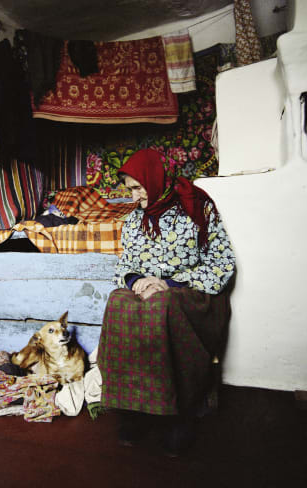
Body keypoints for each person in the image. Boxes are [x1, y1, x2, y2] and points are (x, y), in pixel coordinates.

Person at [96, 148, 236, 454]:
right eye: (130, 189)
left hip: (194, 294)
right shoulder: (134, 220)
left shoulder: (197, 209)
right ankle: (133, 408)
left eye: (137, 187)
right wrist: (136, 281)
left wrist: (169, 283)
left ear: (156, 178)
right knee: (118, 303)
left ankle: (178, 414)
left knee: (163, 307)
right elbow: (124, 265)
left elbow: (222, 264)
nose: (134, 197)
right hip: (148, 292)